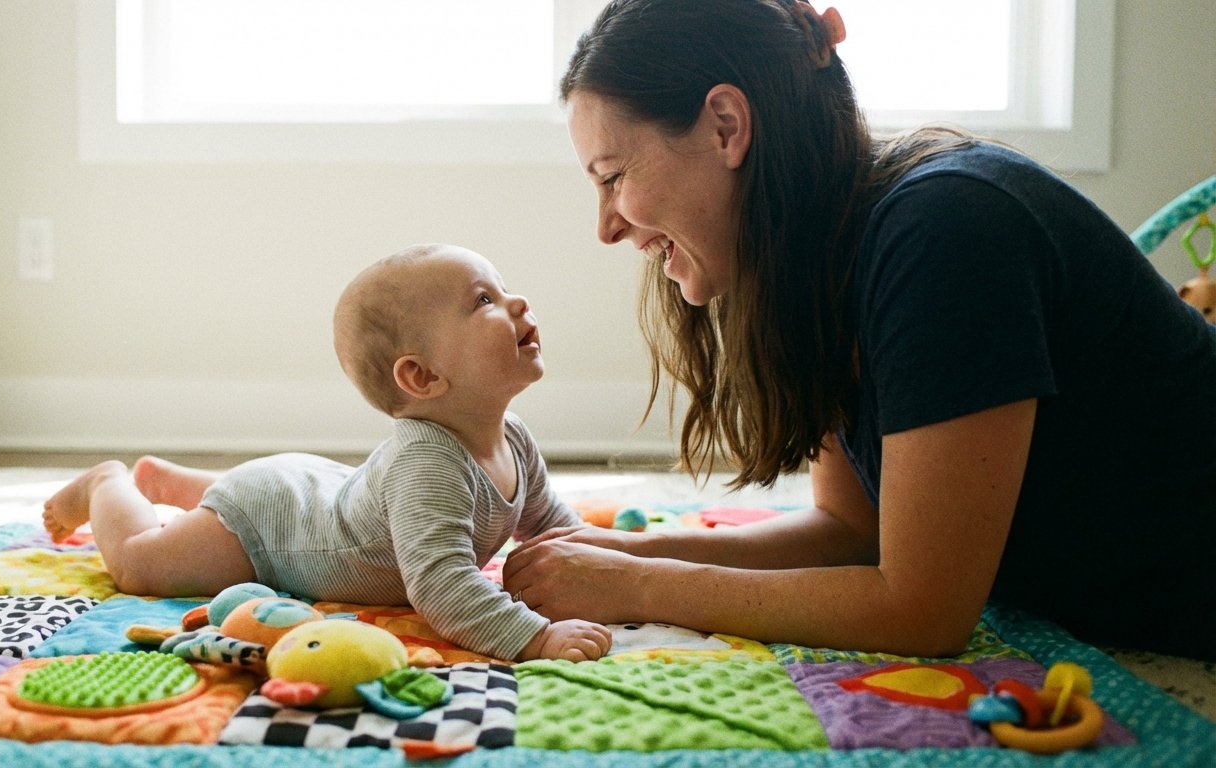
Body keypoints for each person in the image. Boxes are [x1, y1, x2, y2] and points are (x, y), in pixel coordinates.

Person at [502, 0, 1216, 660]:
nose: (606, 226)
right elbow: (850, 533)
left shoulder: (947, 231)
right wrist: (628, 552)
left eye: (613, 175)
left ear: (726, 126)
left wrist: (634, 587)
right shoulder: (821, 261)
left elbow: (920, 611)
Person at [42, 243, 612, 663]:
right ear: (422, 375)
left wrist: (613, 567)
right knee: (143, 566)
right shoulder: (430, 468)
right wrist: (535, 637)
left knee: (302, 500)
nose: (517, 302)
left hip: (309, 490)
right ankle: (106, 484)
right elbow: (441, 585)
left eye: (503, 288)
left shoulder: (513, 436)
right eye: (484, 300)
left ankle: (180, 487)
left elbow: (552, 529)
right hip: (267, 525)